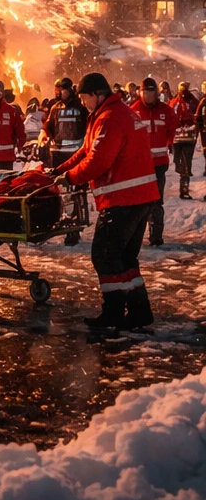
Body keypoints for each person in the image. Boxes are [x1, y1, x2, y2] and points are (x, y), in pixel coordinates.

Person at [54, 72, 159, 330]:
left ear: (97, 95)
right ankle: (139, 311)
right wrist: (60, 170)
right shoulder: (112, 114)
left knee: (104, 256)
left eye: (84, 97)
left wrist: (70, 178)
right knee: (125, 259)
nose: (83, 102)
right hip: (139, 198)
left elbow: (98, 161)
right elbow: (86, 151)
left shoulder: (110, 119)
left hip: (123, 199)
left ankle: (112, 313)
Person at [129, 78, 176, 246]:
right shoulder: (133, 111)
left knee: (156, 201)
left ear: (157, 93)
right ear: (140, 93)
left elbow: (173, 127)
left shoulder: (166, 110)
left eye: (151, 92)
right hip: (140, 165)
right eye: (145, 92)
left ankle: (156, 236)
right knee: (140, 202)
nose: (148, 96)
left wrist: (170, 142)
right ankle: (136, 235)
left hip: (159, 164)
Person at [41, 77, 88, 171]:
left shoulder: (80, 106)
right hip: (57, 152)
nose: (60, 93)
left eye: (63, 90)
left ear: (70, 90)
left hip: (76, 151)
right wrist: (45, 135)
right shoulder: (55, 107)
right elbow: (48, 126)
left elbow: (88, 125)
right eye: (59, 90)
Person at [170, 82, 197, 198]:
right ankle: (183, 184)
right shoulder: (174, 102)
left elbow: (197, 117)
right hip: (177, 139)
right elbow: (169, 117)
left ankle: (184, 190)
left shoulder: (193, 102)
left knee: (186, 164)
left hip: (189, 138)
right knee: (178, 162)